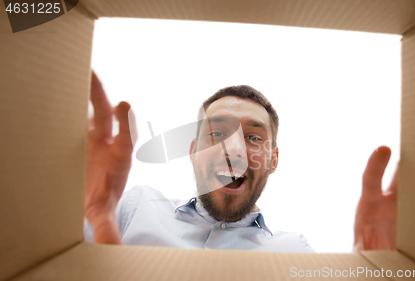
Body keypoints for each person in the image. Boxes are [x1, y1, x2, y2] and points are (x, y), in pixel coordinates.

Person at [84, 71, 399, 252]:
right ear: (193, 152)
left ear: (274, 160)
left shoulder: (293, 253)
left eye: (253, 137)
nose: (233, 150)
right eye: (217, 133)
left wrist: (374, 272)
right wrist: (96, 217)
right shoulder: (133, 208)